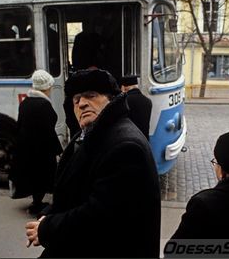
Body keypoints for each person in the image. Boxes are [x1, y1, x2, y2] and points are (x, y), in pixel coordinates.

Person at [25, 69, 161, 258]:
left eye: (91, 96)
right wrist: (48, 215)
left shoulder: (125, 146)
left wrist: (48, 227)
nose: (81, 104)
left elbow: (101, 215)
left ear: (111, 99)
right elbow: (73, 192)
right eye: (76, 99)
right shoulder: (90, 134)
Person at [11, 69, 63, 214]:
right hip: (41, 150)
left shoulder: (26, 102)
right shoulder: (44, 105)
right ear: (47, 87)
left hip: (27, 148)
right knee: (43, 177)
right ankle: (38, 205)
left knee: (33, 176)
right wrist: (58, 150)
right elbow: (48, 131)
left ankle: (36, 201)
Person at [120, 74, 152, 140]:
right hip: (145, 141)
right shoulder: (148, 101)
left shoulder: (124, 101)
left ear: (123, 87)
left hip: (130, 141)